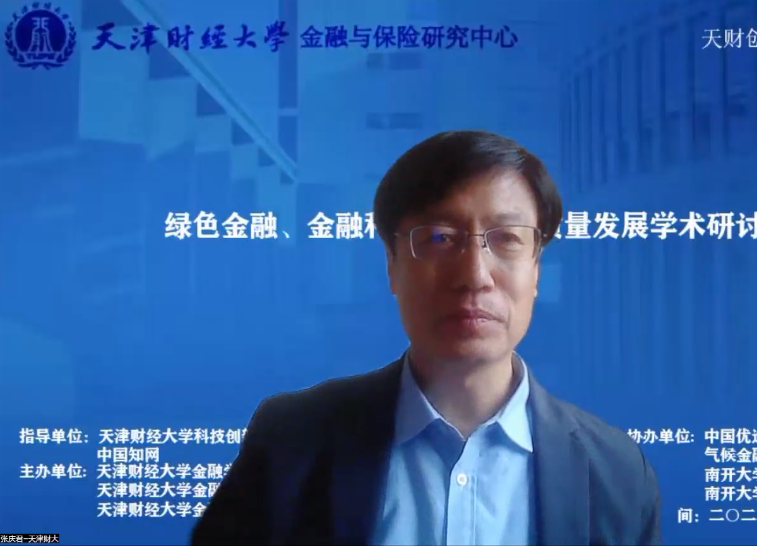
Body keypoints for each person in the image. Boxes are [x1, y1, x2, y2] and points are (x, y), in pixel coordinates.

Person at [190, 130, 662, 545]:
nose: (474, 276)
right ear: (392, 264)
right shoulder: (291, 440)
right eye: (438, 238)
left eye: (506, 239)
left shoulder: (618, 473)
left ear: (536, 269)